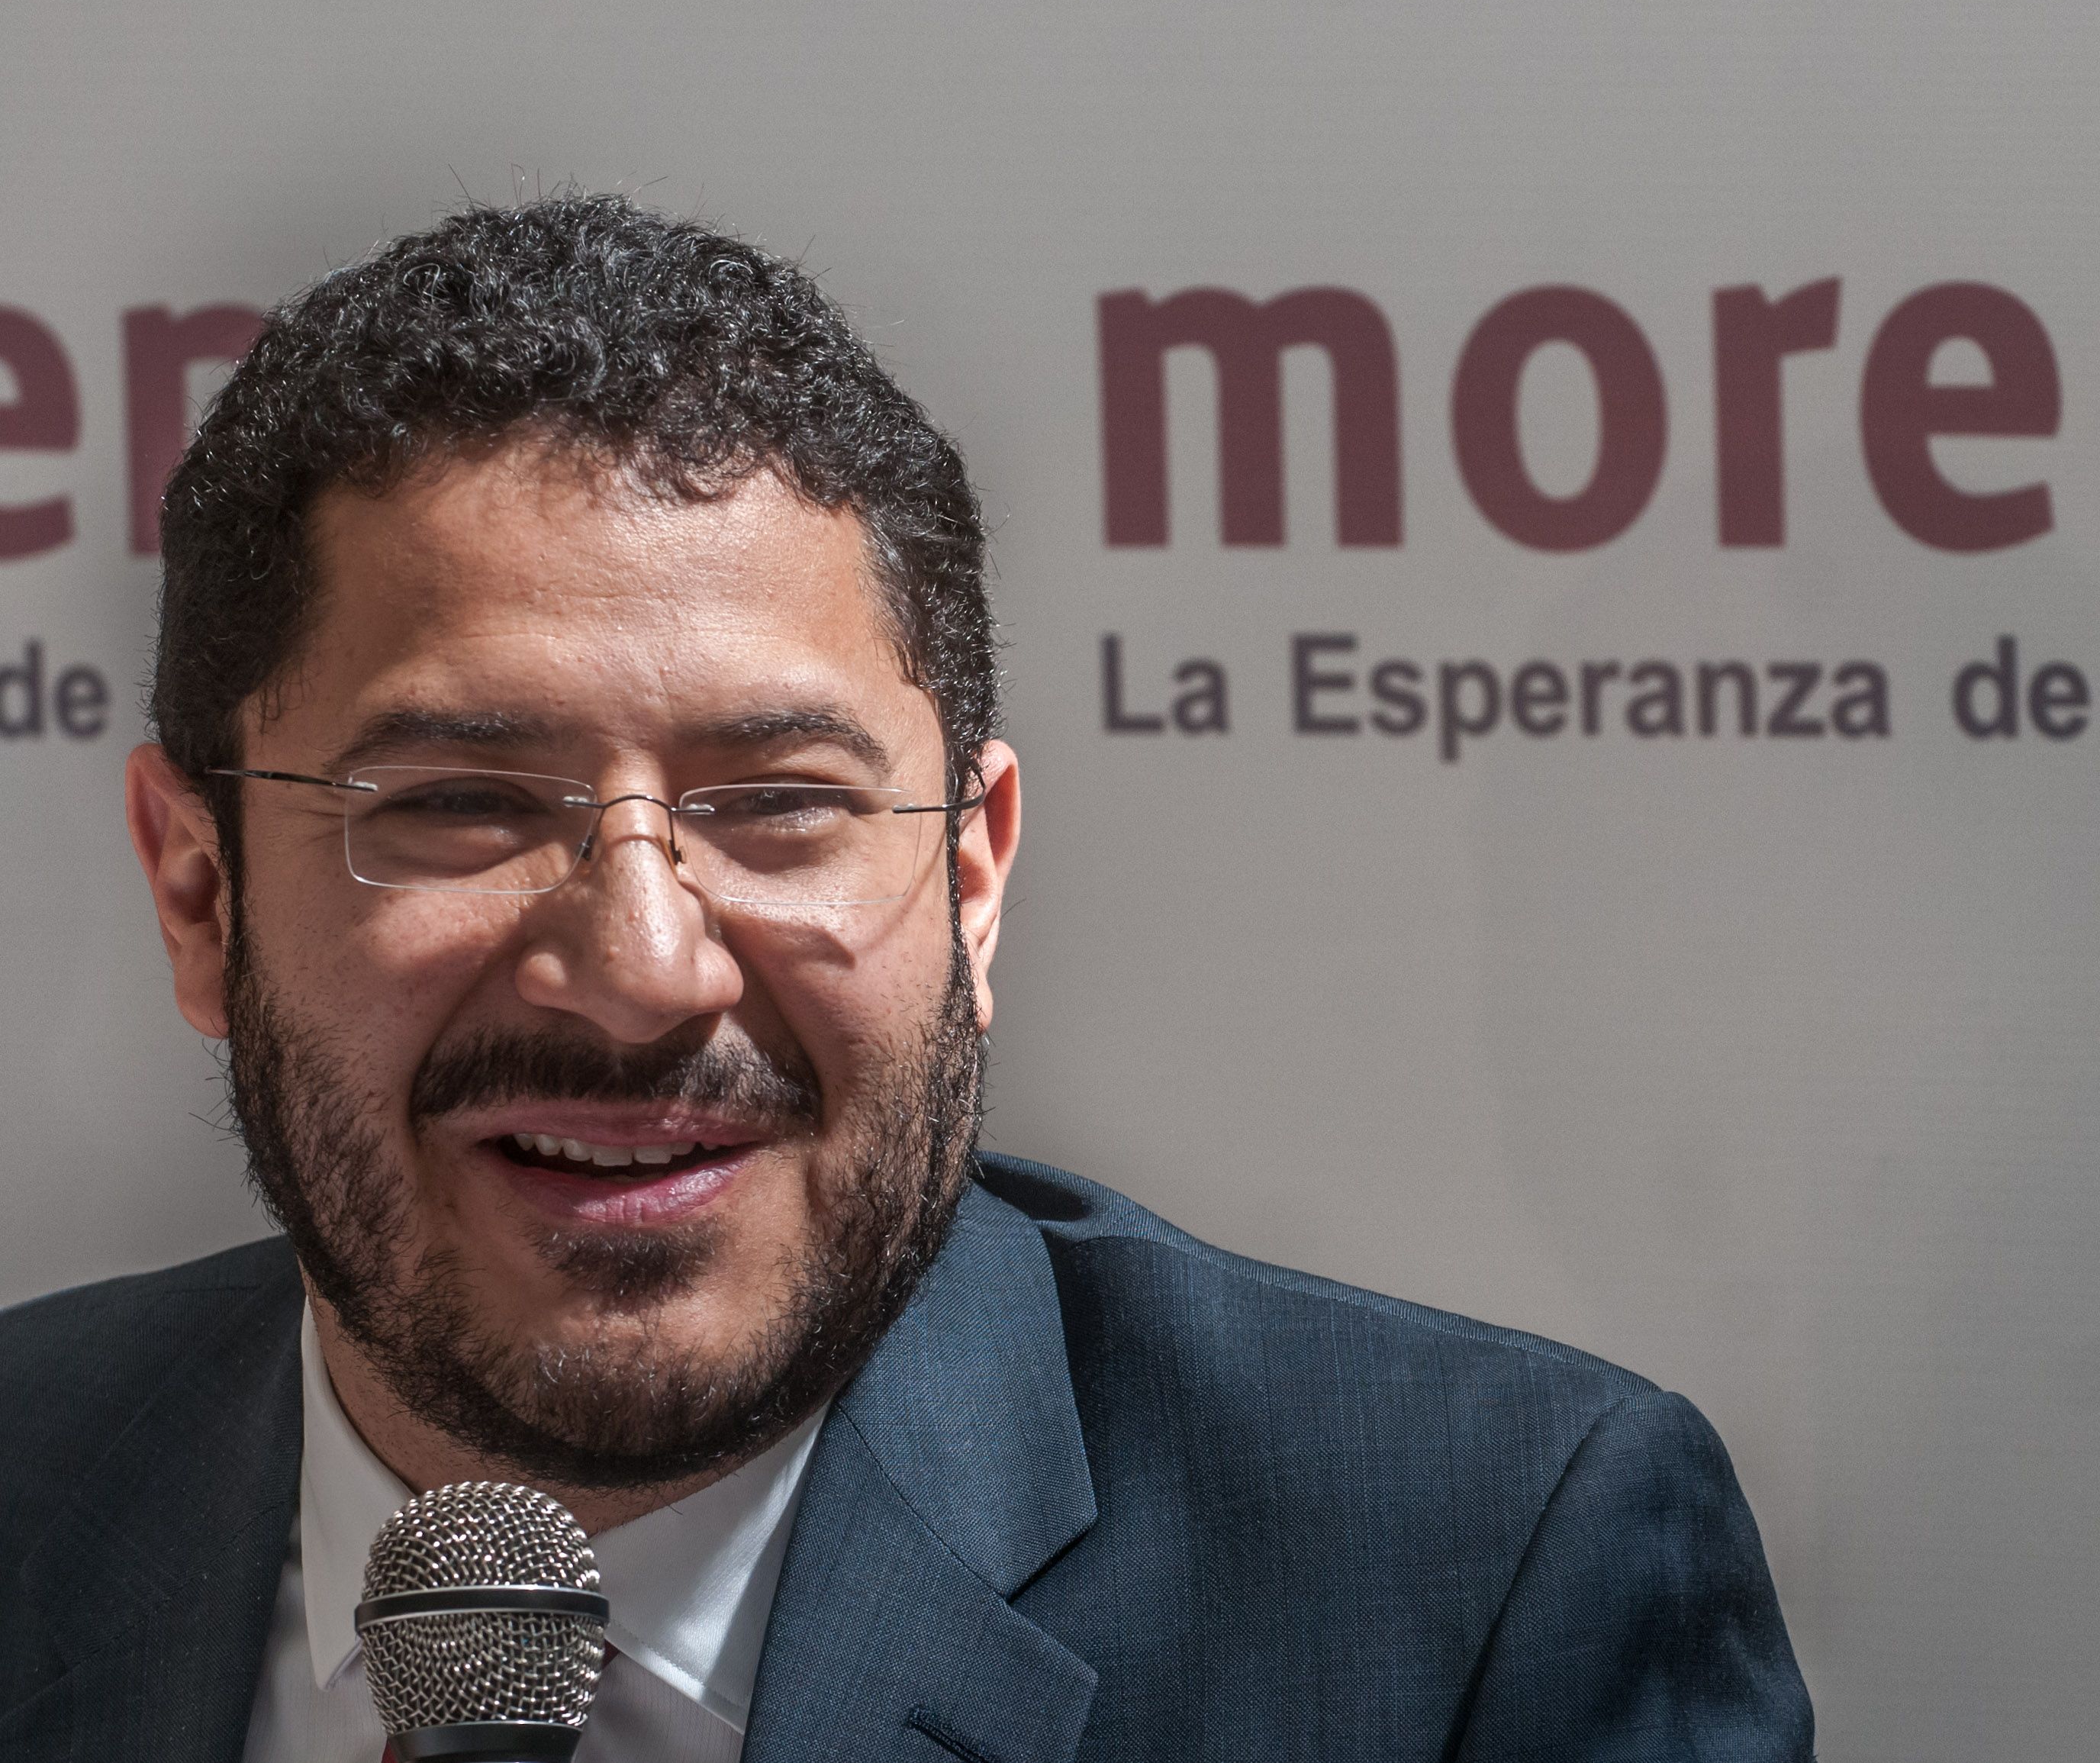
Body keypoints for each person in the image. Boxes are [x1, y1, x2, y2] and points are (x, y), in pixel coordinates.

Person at [0, 196, 1812, 1760]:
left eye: (779, 804)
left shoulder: (1484, 1578)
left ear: (971, 875)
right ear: (201, 891)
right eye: (462, 804)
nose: (640, 970)